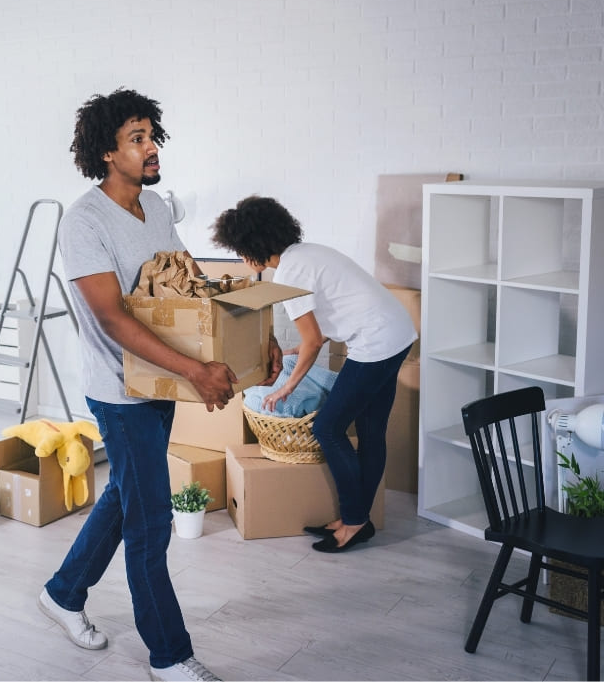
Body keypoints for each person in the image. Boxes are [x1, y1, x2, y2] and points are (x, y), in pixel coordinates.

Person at [38, 88, 235, 682]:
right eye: (136, 139)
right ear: (106, 152)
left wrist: (249, 339)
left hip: (159, 386)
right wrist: (197, 370)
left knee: (128, 495)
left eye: (152, 136)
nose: (152, 149)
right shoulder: (85, 223)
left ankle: (63, 592)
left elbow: (191, 286)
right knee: (151, 526)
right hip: (120, 394)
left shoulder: (157, 209)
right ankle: (169, 657)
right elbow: (114, 319)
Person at [211, 195, 417, 553]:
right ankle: (359, 520)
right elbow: (318, 330)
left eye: (241, 250)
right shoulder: (306, 254)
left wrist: (286, 387)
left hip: (376, 343)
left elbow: (313, 340)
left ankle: (353, 522)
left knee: (327, 428)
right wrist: (299, 348)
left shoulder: (290, 273)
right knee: (370, 431)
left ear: (254, 244)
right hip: (396, 332)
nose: (242, 259)